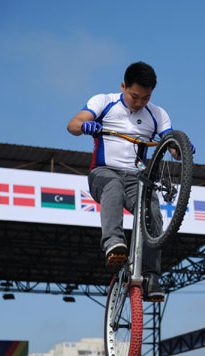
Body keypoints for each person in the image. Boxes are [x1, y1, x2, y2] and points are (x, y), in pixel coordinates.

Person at [67, 61, 173, 302]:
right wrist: (86, 125)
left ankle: (151, 276)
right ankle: (113, 242)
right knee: (112, 186)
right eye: (134, 96)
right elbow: (72, 124)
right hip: (103, 172)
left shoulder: (157, 114)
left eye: (145, 98)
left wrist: (181, 147)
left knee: (152, 210)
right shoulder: (104, 102)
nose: (139, 103)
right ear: (123, 86)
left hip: (137, 179)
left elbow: (170, 141)